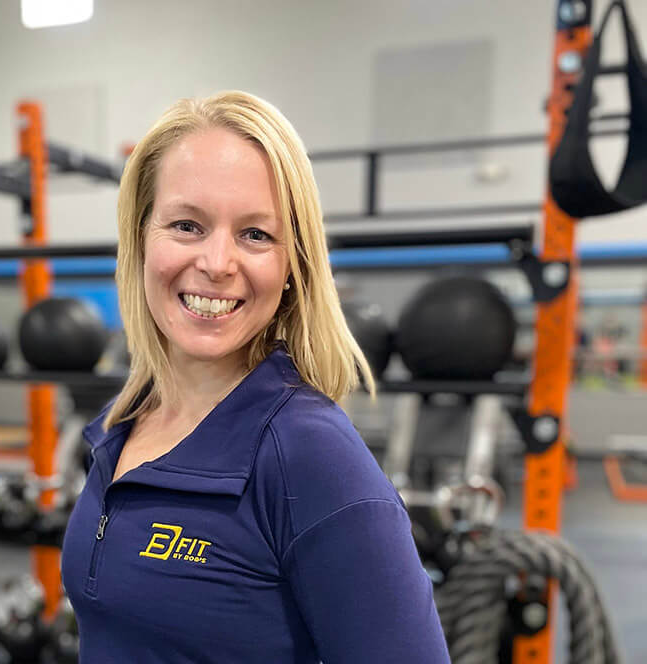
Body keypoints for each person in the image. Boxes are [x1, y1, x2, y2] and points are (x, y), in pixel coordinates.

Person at [60, 90, 450, 663]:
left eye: (256, 235)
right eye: (187, 225)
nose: (218, 263)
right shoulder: (123, 421)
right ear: (140, 238)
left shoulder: (311, 456)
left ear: (292, 265)